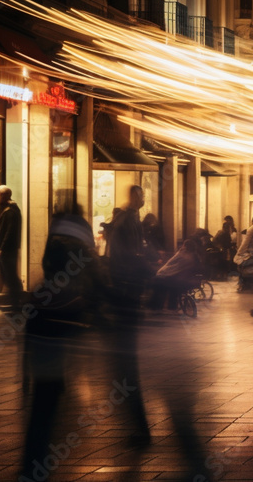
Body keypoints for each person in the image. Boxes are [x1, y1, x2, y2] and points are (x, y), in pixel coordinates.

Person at [21, 206, 108, 478]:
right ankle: (36, 464)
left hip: (42, 323)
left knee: (43, 398)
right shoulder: (80, 248)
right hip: (61, 324)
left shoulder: (54, 245)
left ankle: (33, 461)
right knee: (49, 397)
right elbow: (99, 283)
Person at [105, 185, 152, 444]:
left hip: (126, 298)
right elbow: (122, 257)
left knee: (125, 367)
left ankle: (140, 428)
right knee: (125, 366)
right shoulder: (126, 221)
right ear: (133, 197)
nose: (144, 199)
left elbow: (129, 256)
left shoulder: (131, 220)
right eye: (141, 195)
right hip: (126, 296)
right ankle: (140, 426)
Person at [148, 239, 202, 310]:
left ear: (185, 246)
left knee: (157, 281)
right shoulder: (194, 256)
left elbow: (170, 263)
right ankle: (167, 306)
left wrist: (161, 272)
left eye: (183, 245)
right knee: (160, 281)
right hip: (186, 279)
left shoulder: (183, 255)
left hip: (179, 281)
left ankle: (156, 305)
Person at [0, 185, 23, 312]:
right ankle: (13, 301)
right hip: (9, 248)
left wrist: (2, 248)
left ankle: (15, 301)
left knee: (11, 275)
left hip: (8, 249)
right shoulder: (10, 210)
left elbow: (9, 232)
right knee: (9, 275)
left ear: (4, 196)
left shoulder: (10, 211)